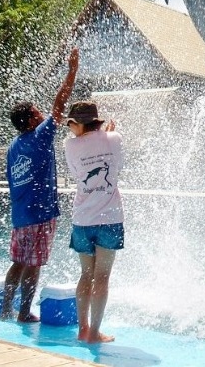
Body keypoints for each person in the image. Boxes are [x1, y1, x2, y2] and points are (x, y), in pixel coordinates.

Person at [0, 47, 79, 323]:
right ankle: (24, 313)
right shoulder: (40, 136)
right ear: (32, 120)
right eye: (38, 113)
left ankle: (5, 309)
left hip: (20, 215)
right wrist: (71, 72)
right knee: (34, 265)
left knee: (18, 262)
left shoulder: (14, 146)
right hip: (41, 214)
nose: (43, 114)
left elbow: (11, 180)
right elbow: (60, 104)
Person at [64, 100, 124, 343]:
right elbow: (117, 168)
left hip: (82, 220)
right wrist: (107, 137)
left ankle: (82, 329)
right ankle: (94, 333)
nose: (69, 129)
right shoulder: (115, 138)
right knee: (102, 276)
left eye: (71, 124)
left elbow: (76, 174)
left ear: (79, 123)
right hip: (109, 218)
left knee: (85, 274)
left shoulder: (69, 145)